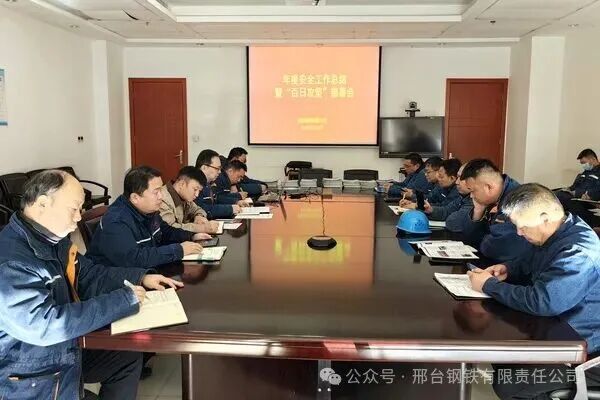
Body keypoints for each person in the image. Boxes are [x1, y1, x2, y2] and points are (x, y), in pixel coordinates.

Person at [0, 170, 182, 399]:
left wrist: (140, 278)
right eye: (74, 209)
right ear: (43, 204)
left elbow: (90, 274)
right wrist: (123, 300)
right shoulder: (12, 261)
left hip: (62, 349)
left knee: (125, 357)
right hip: (30, 370)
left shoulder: (54, 241)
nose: (79, 217)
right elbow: (47, 325)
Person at [467, 183, 600, 399]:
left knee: (510, 383)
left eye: (523, 227)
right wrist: (507, 269)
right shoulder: (556, 233)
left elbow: (544, 301)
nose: (519, 233)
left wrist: (488, 285)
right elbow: (528, 261)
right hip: (556, 330)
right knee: (503, 358)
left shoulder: (578, 252)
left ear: (544, 218)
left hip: (585, 350)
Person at [87, 166, 207, 270]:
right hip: (117, 280)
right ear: (135, 198)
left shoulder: (148, 210)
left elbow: (165, 231)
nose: (161, 196)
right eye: (156, 192)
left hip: (145, 270)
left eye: (161, 190)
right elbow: (135, 259)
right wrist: (178, 250)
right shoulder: (116, 221)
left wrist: (191, 236)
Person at [461, 159, 531, 263]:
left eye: (473, 190)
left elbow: (497, 248)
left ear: (489, 187)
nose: (471, 196)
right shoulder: (493, 199)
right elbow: (469, 238)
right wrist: (478, 211)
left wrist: (483, 238)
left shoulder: (516, 201)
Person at [159, 166, 220, 234]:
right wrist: (201, 228)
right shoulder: (162, 199)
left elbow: (197, 209)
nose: (197, 194)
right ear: (182, 184)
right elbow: (170, 229)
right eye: (195, 189)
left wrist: (199, 216)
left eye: (199, 191)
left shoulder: (184, 197)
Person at [195, 149, 242, 219]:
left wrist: (235, 202)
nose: (220, 172)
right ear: (204, 167)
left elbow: (217, 199)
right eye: (217, 168)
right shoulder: (195, 184)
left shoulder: (208, 184)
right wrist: (230, 209)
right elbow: (202, 209)